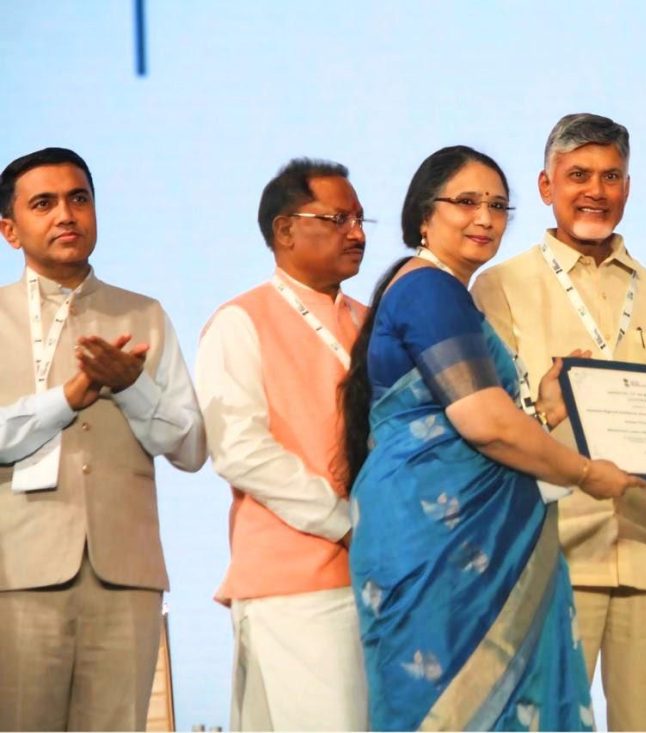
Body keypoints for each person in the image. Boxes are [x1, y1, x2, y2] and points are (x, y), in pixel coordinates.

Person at [342, 145, 643, 731]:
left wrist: (544, 407)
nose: (485, 218)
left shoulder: (434, 291)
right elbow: (483, 423)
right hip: (440, 547)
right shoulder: (431, 289)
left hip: (462, 540)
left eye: (499, 206)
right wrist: (584, 473)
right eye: (467, 202)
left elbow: (477, 420)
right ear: (424, 214)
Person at [471, 113, 646, 731]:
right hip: (548, 558)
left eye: (611, 176)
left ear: (628, 189)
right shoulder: (499, 288)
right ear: (545, 186)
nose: (596, 190)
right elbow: (495, 421)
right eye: (578, 174)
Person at [0, 147, 206, 731]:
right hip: (14, 575)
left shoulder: (145, 314)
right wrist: (66, 399)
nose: (66, 214)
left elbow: (190, 447)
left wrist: (131, 388)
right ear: (9, 230)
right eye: (44, 203)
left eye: (79, 198)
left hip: (126, 575)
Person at [195, 158, 370, 730]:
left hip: (375, 578)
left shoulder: (373, 322)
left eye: (360, 219)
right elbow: (240, 450)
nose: (358, 234)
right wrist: (343, 520)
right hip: (294, 587)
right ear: (285, 230)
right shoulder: (240, 321)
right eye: (338, 218)